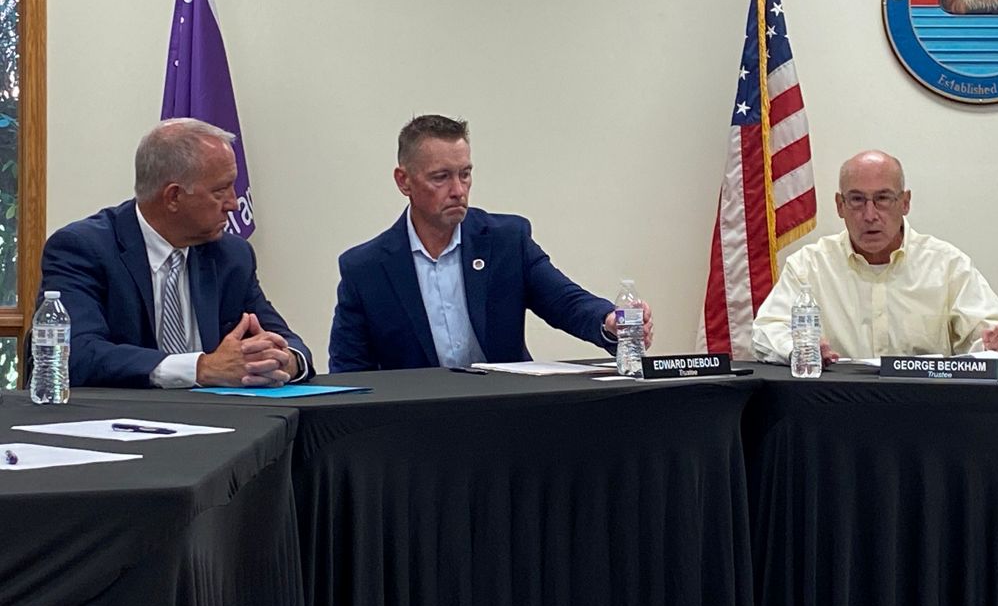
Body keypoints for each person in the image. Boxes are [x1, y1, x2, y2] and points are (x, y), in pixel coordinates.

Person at [328, 114, 652, 371]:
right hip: (415, 429)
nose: (458, 189)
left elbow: (567, 303)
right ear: (404, 181)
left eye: (465, 174)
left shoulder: (507, 241)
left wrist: (611, 322)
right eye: (441, 177)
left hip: (504, 417)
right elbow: (349, 369)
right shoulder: (366, 269)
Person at [40, 118, 313, 388]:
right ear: (173, 197)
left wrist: (284, 360)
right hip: (117, 421)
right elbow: (74, 353)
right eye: (220, 191)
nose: (232, 203)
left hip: (222, 421)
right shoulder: (82, 248)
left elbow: (283, 338)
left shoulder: (231, 255)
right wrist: (201, 368)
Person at [752, 150, 998, 363]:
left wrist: (997, 346)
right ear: (840, 206)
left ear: (905, 202)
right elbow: (766, 330)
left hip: (926, 413)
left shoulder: (946, 265)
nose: (870, 215)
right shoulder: (809, 266)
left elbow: (989, 333)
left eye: (882, 198)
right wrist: (799, 347)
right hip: (836, 412)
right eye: (857, 200)